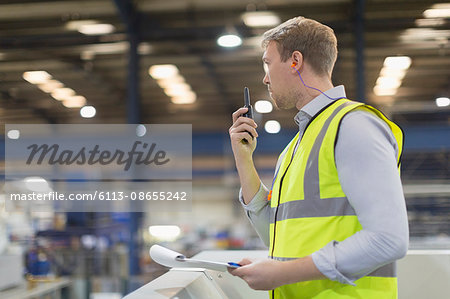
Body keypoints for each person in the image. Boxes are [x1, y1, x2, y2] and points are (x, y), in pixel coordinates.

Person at [228, 16, 409, 298]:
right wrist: (243, 158)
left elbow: (389, 239)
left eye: (268, 63)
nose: (265, 78)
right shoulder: (295, 147)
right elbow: (273, 235)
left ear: (295, 61)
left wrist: (281, 273)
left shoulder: (353, 126)